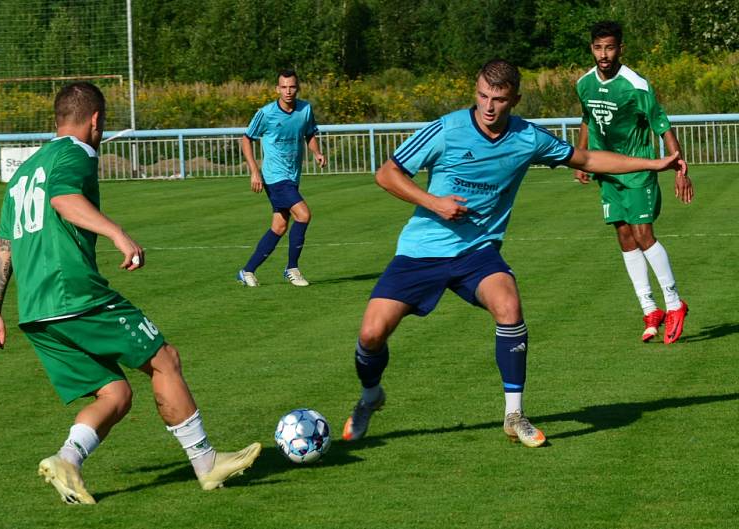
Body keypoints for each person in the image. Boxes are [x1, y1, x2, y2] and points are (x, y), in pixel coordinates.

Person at [341, 59, 684, 448]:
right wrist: (434, 202)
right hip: (422, 251)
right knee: (371, 335)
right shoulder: (447, 129)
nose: (488, 107)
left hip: (477, 251)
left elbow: (586, 159)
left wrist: (654, 162)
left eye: (499, 99)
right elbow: (386, 173)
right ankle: (371, 397)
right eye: (483, 96)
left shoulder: (527, 138)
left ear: (515, 99)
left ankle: (514, 415)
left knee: (509, 307)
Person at [0, 82, 261, 505]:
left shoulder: (22, 173)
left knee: (116, 393)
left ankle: (67, 460)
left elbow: (5, 245)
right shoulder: (76, 154)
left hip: (35, 310)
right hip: (73, 294)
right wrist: (118, 234)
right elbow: (64, 199)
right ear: (95, 120)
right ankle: (206, 463)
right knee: (166, 360)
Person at [575, 20, 693, 344]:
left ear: (620, 49)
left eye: (610, 47)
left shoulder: (636, 85)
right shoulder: (584, 84)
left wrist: (681, 169)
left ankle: (674, 303)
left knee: (644, 235)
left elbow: (662, 125)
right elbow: (587, 119)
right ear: (592, 49)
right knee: (624, 237)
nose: (604, 54)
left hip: (638, 170)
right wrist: (581, 157)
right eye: (598, 48)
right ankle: (649, 308)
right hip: (606, 172)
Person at [237, 69, 327, 287]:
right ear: (277, 89)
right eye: (283, 87)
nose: (288, 91)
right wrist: (254, 171)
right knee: (303, 215)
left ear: (298, 88)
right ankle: (292, 268)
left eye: (292, 86)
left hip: (292, 175)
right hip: (274, 176)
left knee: (279, 226)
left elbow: (310, 133)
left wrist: (316, 152)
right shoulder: (266, 113)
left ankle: (247, 270)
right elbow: (246, 139)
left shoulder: (305, 109)